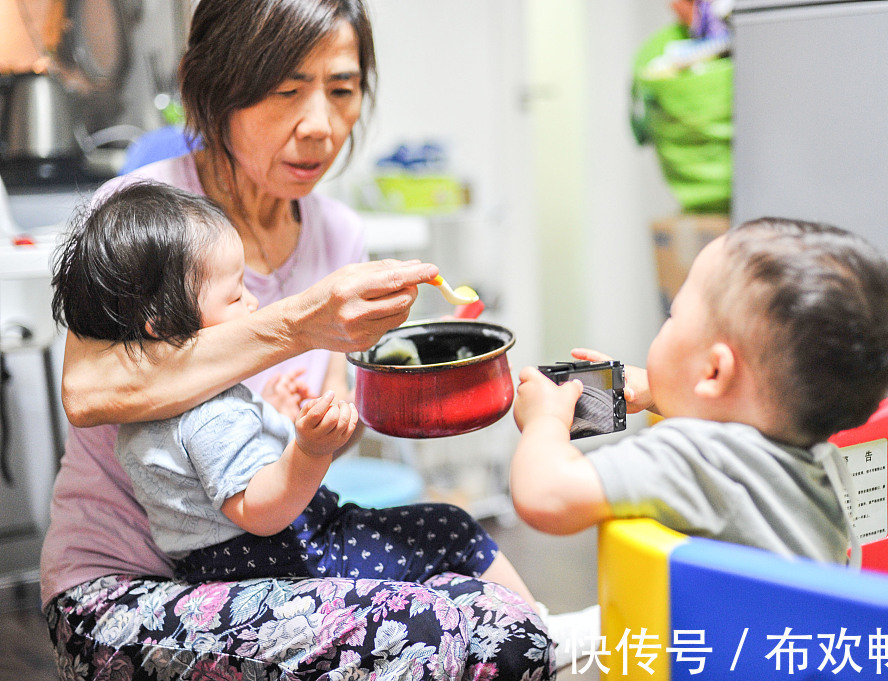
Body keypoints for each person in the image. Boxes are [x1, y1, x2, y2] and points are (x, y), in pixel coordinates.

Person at [41, 2, 554, 679]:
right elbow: (88, 391)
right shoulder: (145, 218)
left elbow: (324, 427)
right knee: (447, 631)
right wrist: (299, 324)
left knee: (484, 603)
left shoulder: (338, 232)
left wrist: (384, 402)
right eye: (286, 90)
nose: (320, 125)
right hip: (123, 587)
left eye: (341, 90)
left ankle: (551, 635)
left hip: (275, 555)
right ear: (207, 85)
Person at [52, 180, 540, 604]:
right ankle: (544, 629)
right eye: (235, 295)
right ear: (160, 325)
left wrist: (277, 420)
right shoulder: (210, 413)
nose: (254, 302)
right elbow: (258, 511)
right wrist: (308, 450)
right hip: (274, 557)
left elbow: (215, 479)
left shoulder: (156, 408)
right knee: (451, 530)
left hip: (222, 564)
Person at [510, 217, 888, 567]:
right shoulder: (818, 457)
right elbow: (736, 424)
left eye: (673, 315)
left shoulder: (692, 460)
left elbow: (547, 495)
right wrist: (660, 391)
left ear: (714, 371)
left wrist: (546, 420)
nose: (667, 322)